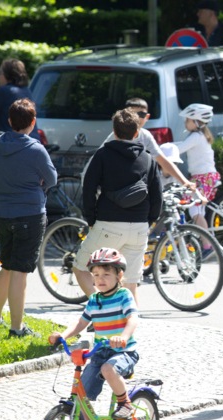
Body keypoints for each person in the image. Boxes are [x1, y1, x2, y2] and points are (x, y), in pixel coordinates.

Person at [74, 109, 163, 305]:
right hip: (139, 227)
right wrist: (148, 222)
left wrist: (91, 220)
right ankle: (129, 331)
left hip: (108, 223)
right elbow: (157, 197)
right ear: (137, 132)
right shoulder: (148, 159)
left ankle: (103, 309)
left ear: (114, 131)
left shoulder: (103, 155)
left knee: (81, 268)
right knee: (130, 284)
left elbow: (88, 189)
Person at [0, 98, 57, 337]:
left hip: (2, 214)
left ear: (9, 121)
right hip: (29, 214)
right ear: (33, 122)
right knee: (19, 272)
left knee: (6, 267)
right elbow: (53, 179)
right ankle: (17, 328)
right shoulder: (36, 149)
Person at [49, 248, 141, 420]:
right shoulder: (94, 299)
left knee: (108, 369)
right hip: (100, 353)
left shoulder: (124, 295)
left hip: (124, 352)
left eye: (106, 274)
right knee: (81, 393)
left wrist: (123, 337)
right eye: (96, 274)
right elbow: (81, 322)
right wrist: (63, 335)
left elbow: (133, 318)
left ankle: (125, 404)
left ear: (119, 276)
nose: (100, 279)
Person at [84, 98, 196, 192]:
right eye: (133, 113)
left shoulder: (145, 135)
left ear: (147, 117)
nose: (137, 117)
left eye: (141, 114)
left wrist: (185, 182)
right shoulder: (119, 135)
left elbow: (163, 161)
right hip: (97, 180)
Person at [168, 103, 220, 256]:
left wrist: (159, 150)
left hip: (203, 178)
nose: (185, 122)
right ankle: (200, 240)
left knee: (195, 210)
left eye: (188, 120)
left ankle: (207, 246)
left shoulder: (196, 137)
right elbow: (180, 145)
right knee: (198, 212)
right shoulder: (199, 135)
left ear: (197, 122)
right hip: (204, 177)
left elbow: (179, 149)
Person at [0, 58, 33, 134]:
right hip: (33, 140)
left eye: (0, 72)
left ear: (7, 75)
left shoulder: (4, 90)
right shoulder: (27, 90)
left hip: (10, 141)